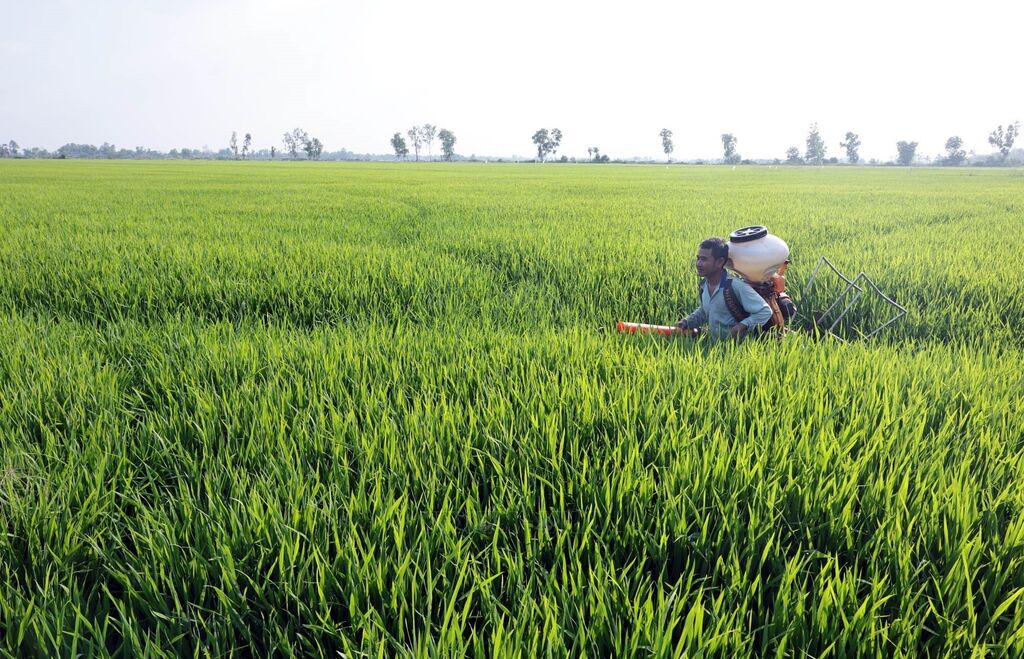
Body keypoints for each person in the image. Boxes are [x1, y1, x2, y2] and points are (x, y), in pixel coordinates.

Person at [676, 237, 771, 340]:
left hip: (740, 347)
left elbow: (765, 311)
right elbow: (705, 310)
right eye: (698, 258)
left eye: (704, 259)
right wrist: (687, 322)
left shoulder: (734, 286)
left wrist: (740, 327)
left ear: (720, 262)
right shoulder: (704, 285)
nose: (698, 263)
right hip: (716, 345)